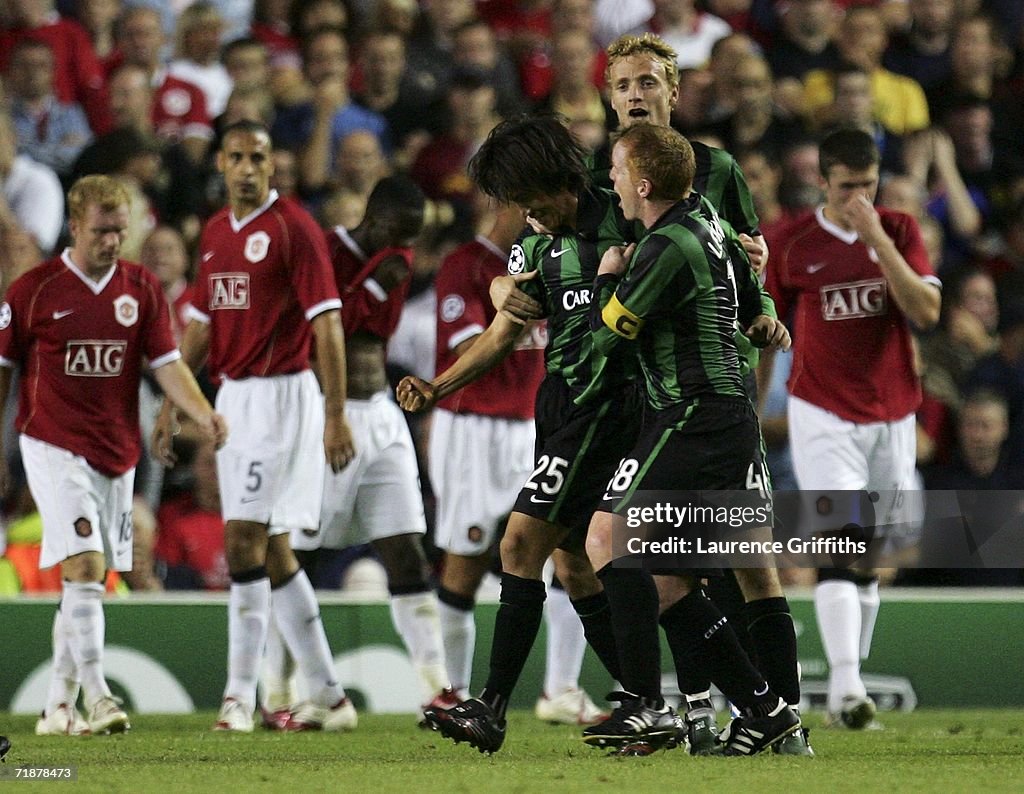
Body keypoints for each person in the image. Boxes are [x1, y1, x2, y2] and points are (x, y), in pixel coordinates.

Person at [495, 32, 806, 754]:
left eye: (648, 82)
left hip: (694, 396)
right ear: (610, 96)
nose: (635, 94)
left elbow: (734, 271)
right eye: (623, 84)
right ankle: (703, 707)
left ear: (673, 89)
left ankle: (766, 714)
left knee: (734, 559)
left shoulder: (707, 179)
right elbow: (528, 260)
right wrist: (509, 287)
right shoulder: (604, 184)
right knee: (649, 563)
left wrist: (756, 301)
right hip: (638, 402)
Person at [400, 117, 631, 754]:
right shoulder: (533, 242)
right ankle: (644, 701)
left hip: (607, 406)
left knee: (519, 545)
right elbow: (502, 333)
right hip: (556, 407)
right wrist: (438, 387)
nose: (526, 215)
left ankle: (492, 707)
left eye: (531, 198)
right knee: (576, 564)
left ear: (561, 180)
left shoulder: (624, 221)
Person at [582, 121, 800, 756]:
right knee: (673, 577)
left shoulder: (666, 246)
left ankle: (648, 706)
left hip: (693, 414)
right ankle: (769, 713)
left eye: (619, 172)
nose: (613, 182)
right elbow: (746, 275)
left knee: (606, 535)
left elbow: (609, 335)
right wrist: (761, 312)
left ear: (644, 183)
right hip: (720, 417)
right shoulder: (705, 218)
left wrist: (604, 277)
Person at [0, 174, 226, 736]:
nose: (111, 242)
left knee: (86, 580)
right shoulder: (33, 291)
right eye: (102, 231)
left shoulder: (141, 289)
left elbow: (167, 365)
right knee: (85, 566)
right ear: (75, 225)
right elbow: (2, 376)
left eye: (119, 232)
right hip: (52, 445)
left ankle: (57, 707)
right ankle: (100, 696)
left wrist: (202, 412)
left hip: (116, 454)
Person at [153, 120, 357, 733]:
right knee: (269, 546)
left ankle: (240, 697)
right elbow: (199, 323)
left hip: (284, 394)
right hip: (233, 398)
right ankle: (331, 695)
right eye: (236, 157)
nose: (246, 168)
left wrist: (336, 413)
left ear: (273, 166)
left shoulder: (295, 228)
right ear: (220, 164)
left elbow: (327, 325)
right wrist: (172, 404)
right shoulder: (215, 233)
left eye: (258, 158)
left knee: (241, 537)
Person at [261, 175, 457, 724]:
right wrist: (334, 417)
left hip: (381, 418)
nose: (407, 247)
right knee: (298, 553)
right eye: (399, 231)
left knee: (405, 550)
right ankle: (276, 693)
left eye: (415, 237)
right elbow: (324, 331)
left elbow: (375, 335)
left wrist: (380, 284)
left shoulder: (395, 260)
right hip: (331, 415)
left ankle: (437, 687)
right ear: (373, 217)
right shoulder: (325, 251)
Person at [764, 127, 941, 729]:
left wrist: (876, 242)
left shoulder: (900, 231)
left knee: (876, 547)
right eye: (847, 188)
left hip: (892, 408)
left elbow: (925, 311)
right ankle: (846, 687)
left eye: (868, 186)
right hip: (820, 407)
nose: (858, 198)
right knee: (840, 537)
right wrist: (752, 395)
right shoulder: (790, 243)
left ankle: (851, 676)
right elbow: (764, 323)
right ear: (823, 180)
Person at [429, 198, 605, 723]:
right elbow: (477, 347)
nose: (535, 212)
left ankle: (561, 690)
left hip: (536, 422)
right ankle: (449, 689)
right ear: (502, 203)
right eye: (523, 201)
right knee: (465, 558)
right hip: (474, 426)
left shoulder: (560, 255)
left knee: (568, 550)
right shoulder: (467, 264)